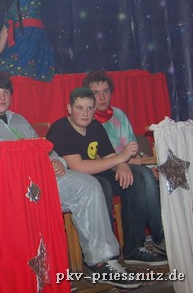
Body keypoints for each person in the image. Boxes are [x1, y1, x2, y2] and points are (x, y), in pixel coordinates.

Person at [0, 72, 142, 289]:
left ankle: (102, 262)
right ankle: (45, 273)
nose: (1, 97)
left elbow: (45, 149)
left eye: (6, 92)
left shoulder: (19, 120)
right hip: (9, 191)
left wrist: (58, 162)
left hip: (41, 180)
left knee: (89, 185)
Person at [46, 87, 168, 266]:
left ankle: (134, 248)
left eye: (90, 108)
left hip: (97, 172)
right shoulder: (60, 129)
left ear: (95, 109)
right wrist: (121, 158)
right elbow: (79, 167)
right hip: (75, 180)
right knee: (102, 185)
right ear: (69, 108)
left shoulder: (95, 126)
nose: (85, 113)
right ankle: (107, 258)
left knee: (138, 177)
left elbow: (110, 156)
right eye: (80, 108)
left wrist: (122, 165)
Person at [82, 69, 166, 254]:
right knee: (143, 175)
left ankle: (145, 242)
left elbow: (133, 148)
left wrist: (149, 164)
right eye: (96, 92)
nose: (102, 97)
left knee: (149, 175)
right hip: (102, 171)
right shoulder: (86, 118)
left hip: (127, 166)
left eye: (105, 91)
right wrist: (134, 164)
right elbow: (96, 157)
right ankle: (160, 237)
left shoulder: (119, 115)